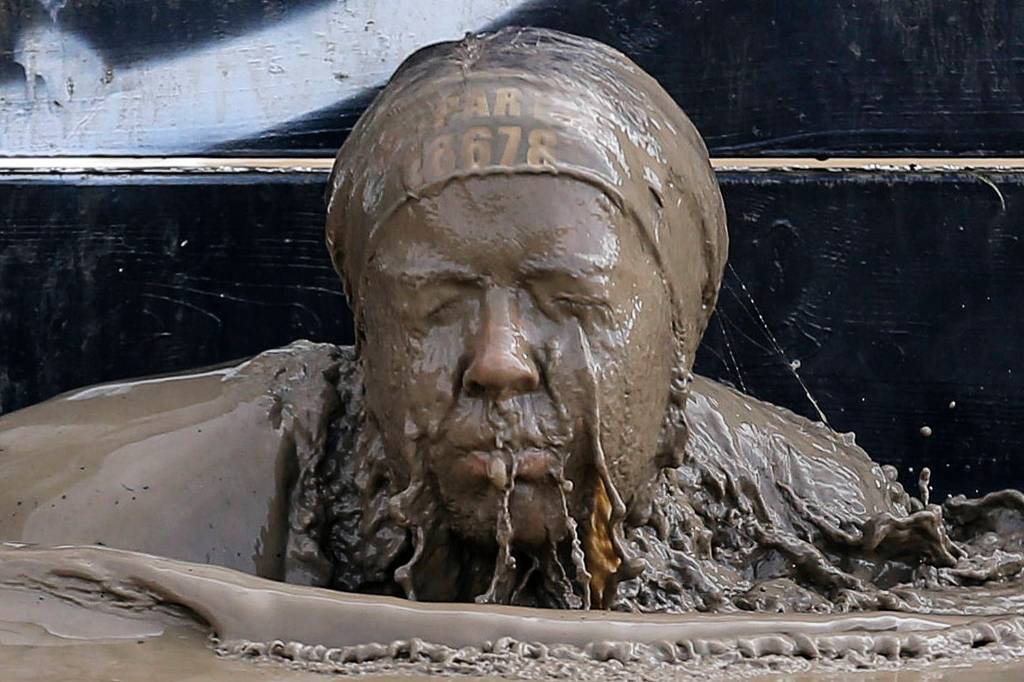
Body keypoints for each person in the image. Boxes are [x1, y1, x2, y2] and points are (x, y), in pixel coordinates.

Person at [0, 28, 1017, 613]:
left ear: (674, 346)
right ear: (366, 334)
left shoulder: (831, 526)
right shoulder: (117, 506)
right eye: (434, 308)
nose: (494, 362)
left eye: (567, 303)